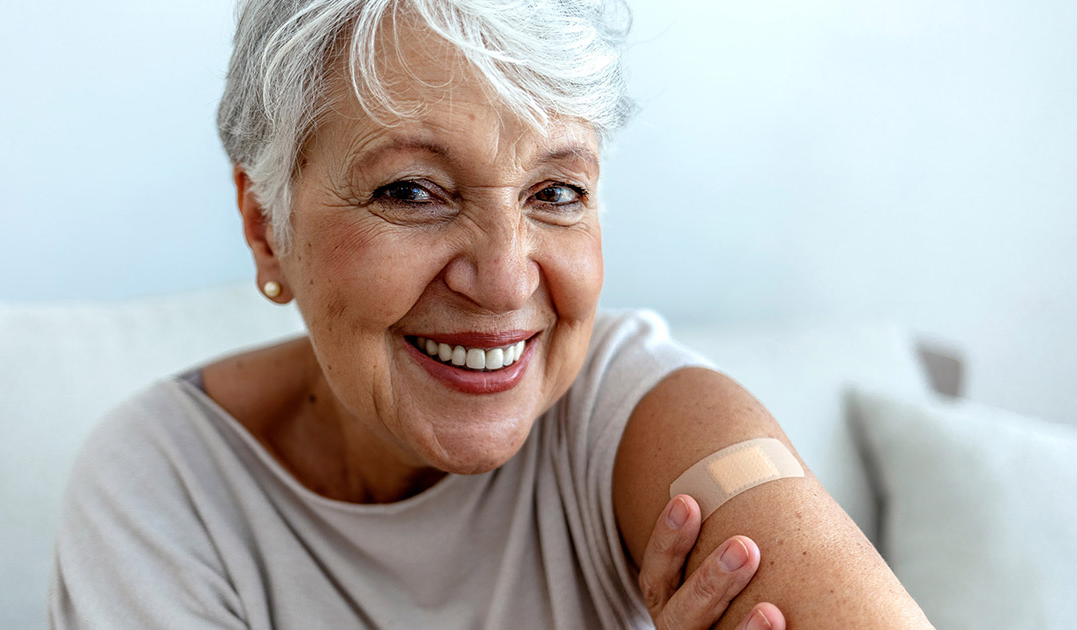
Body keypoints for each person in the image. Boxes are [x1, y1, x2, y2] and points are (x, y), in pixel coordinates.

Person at [50, 0, 933, 628]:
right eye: (411, 191)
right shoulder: (162, 487)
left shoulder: (643, 418)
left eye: (556, 190)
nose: (507, 280)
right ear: (266, 228)